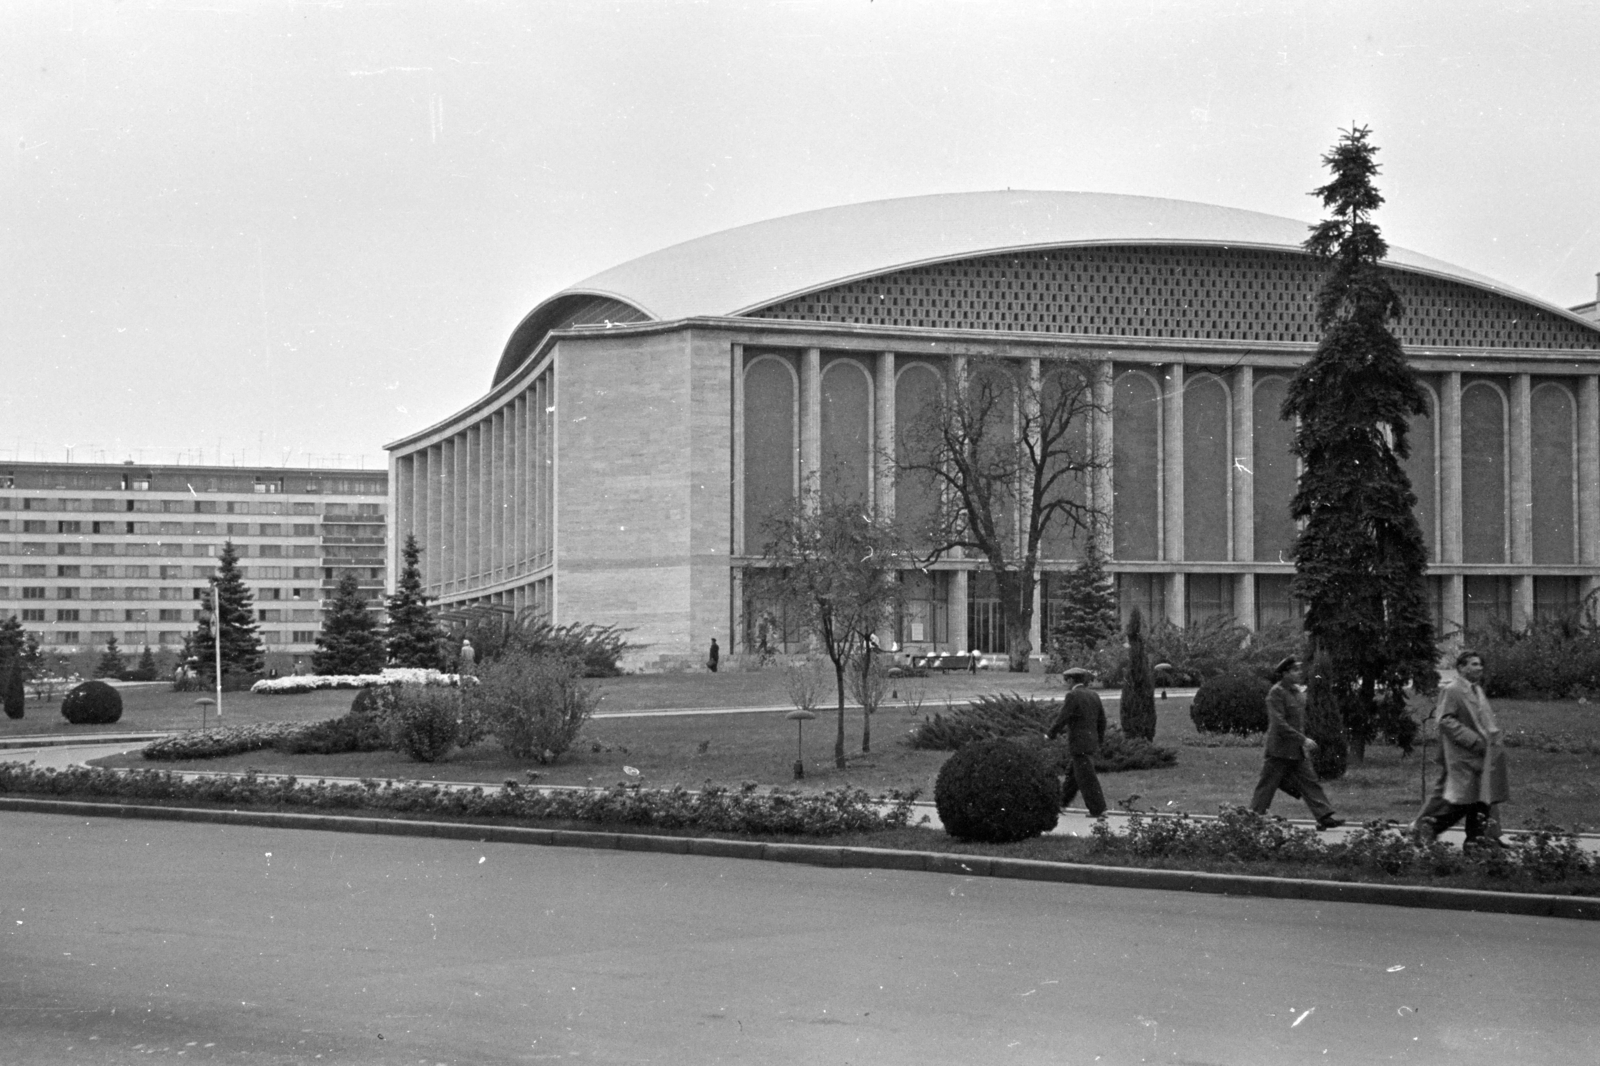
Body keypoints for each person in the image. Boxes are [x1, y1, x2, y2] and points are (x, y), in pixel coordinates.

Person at [1418, 649, 1509, 846]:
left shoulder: (1475, 689)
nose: (1479, 668)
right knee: (1463, 801)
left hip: (1482, 754)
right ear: (1461, 667)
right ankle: (1431, 828)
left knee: (1480, 799)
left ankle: (1476, 840)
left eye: (1480, 664)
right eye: (1474, 664)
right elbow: (1445, 720)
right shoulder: (1453, 690)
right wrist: (1473, 740)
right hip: (1464, 754)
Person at [1249, 657, 1345, 830]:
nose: (1299, 673)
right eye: (1294, 670)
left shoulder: (1296, 692)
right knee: (1267, 786)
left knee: (1310, 781)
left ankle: (1324, 816)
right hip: (1279, 750)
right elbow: (1279, 724)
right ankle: (1253, 818)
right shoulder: (1276, 693)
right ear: (1284, 674)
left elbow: (1298, 721)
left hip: (1296, 750)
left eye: (1299, 670)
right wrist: (1303, 739)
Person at [1046, 667, 1108, 817]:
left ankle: (1099, 810)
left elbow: (1062, 717)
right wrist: (1099, 739)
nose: (1066, 683)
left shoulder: (1073, 696)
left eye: (1067, 680)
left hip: (1078, 743)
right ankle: (1060, 804)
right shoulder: (1093, 695)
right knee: (1073, 776)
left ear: (1072, 680)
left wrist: (1050, 734)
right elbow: (1102, 721)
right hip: (1090, 742)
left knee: (1087, 778)